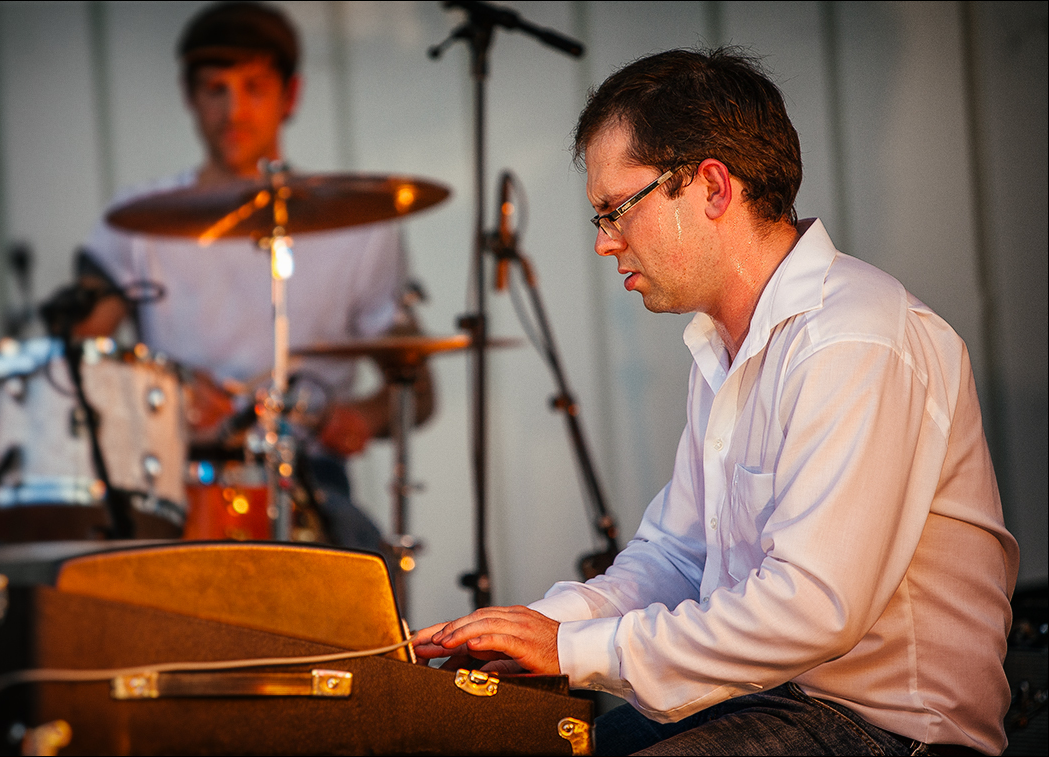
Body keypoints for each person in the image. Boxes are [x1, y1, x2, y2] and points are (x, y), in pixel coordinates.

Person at [413, 49, 1018, 756]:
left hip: (887, 729)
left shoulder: (854, 338)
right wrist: (539, 625)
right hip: (770, 698)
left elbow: (812, 610)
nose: (606, 244)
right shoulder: (725, 349)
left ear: (711, 187)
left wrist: (575, 647)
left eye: (616, 210)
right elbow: (676, 553)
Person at [77, 1, 433, 552]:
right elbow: (75, 352)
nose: (233, 110)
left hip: (309, 481)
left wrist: (357, 416)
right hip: (172, 484)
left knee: (360, 571)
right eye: (214, 89)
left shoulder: (359, 228)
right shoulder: (138, 219)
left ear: (290, 95)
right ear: (189, 96)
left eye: (254, 87)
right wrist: (166, 388)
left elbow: (416, 390)